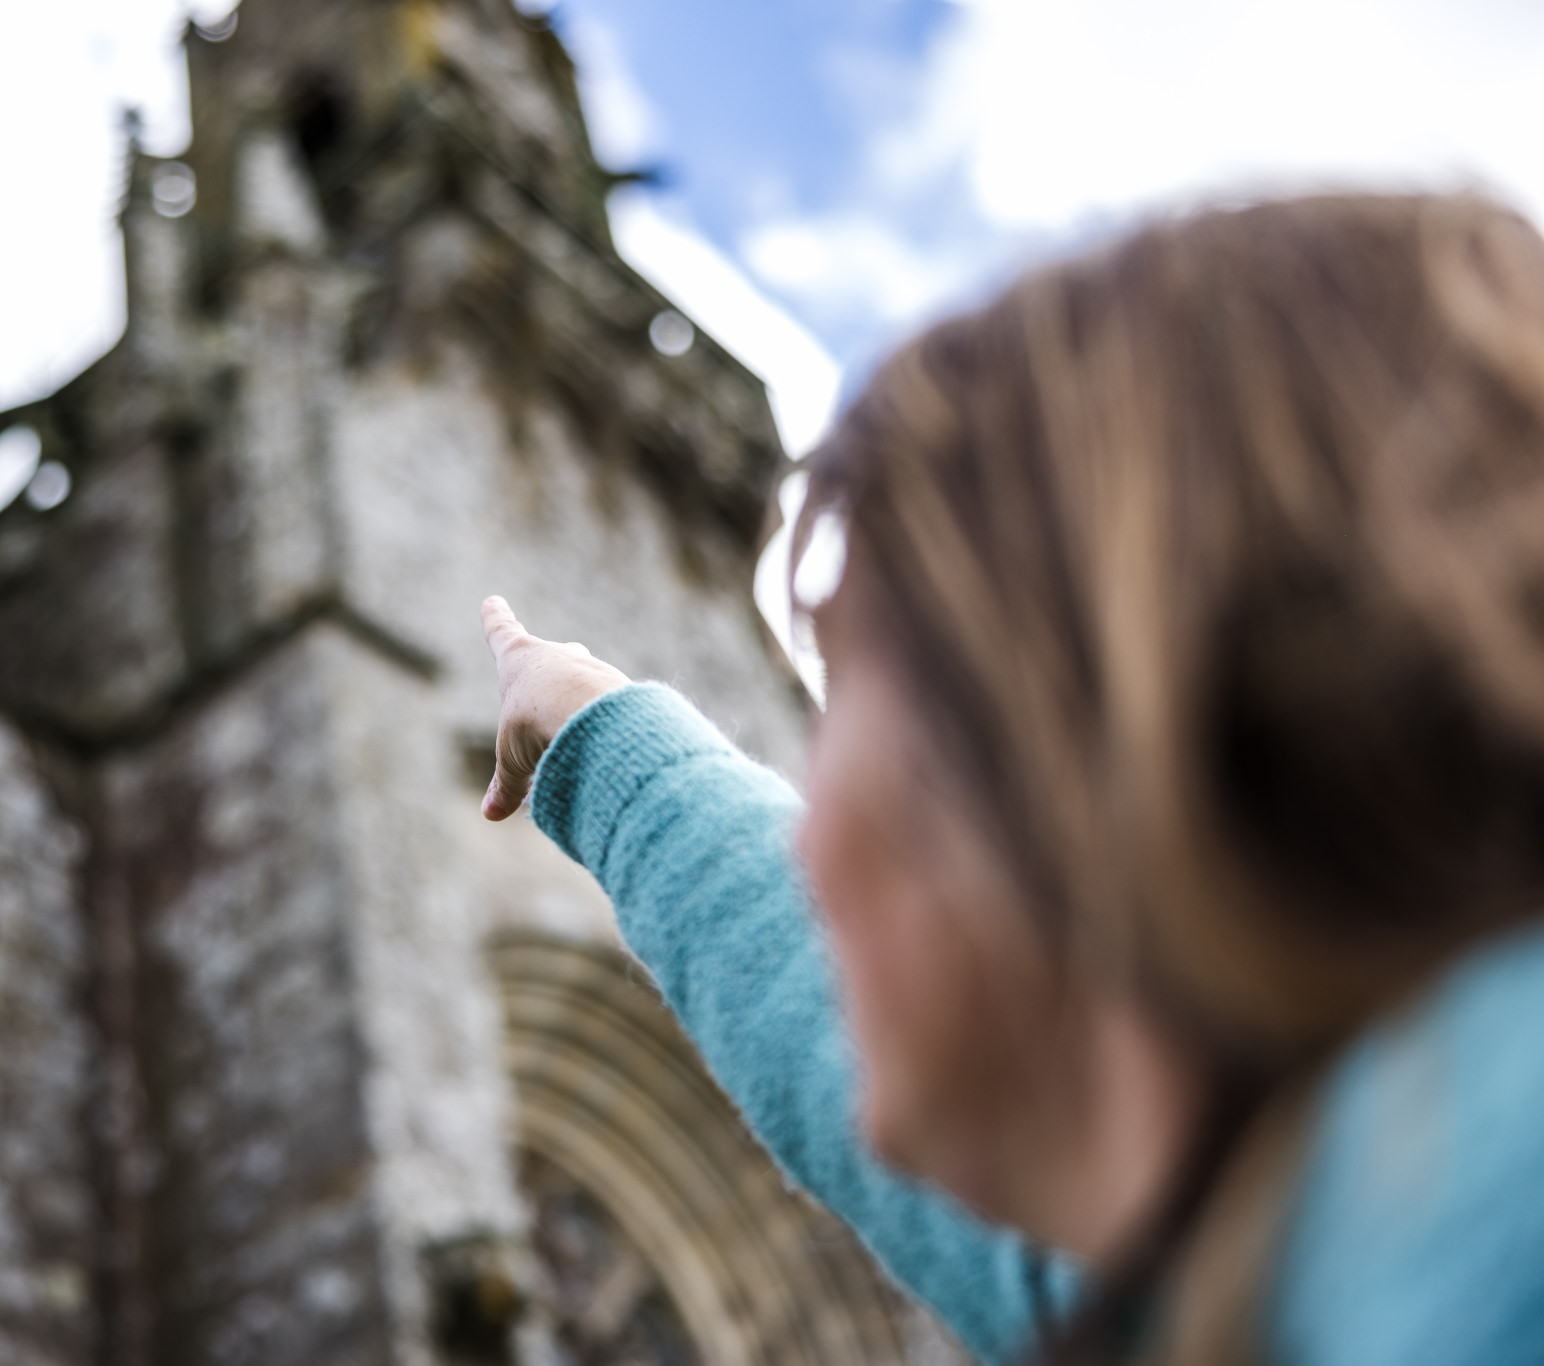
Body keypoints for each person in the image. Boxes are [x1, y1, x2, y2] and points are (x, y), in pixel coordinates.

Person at [478, 193, 1544, 1366]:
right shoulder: (1285, 1245)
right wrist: (612, 754)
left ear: (1070, 745)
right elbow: (865, 1045)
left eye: (845, 680)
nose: (808, 804)